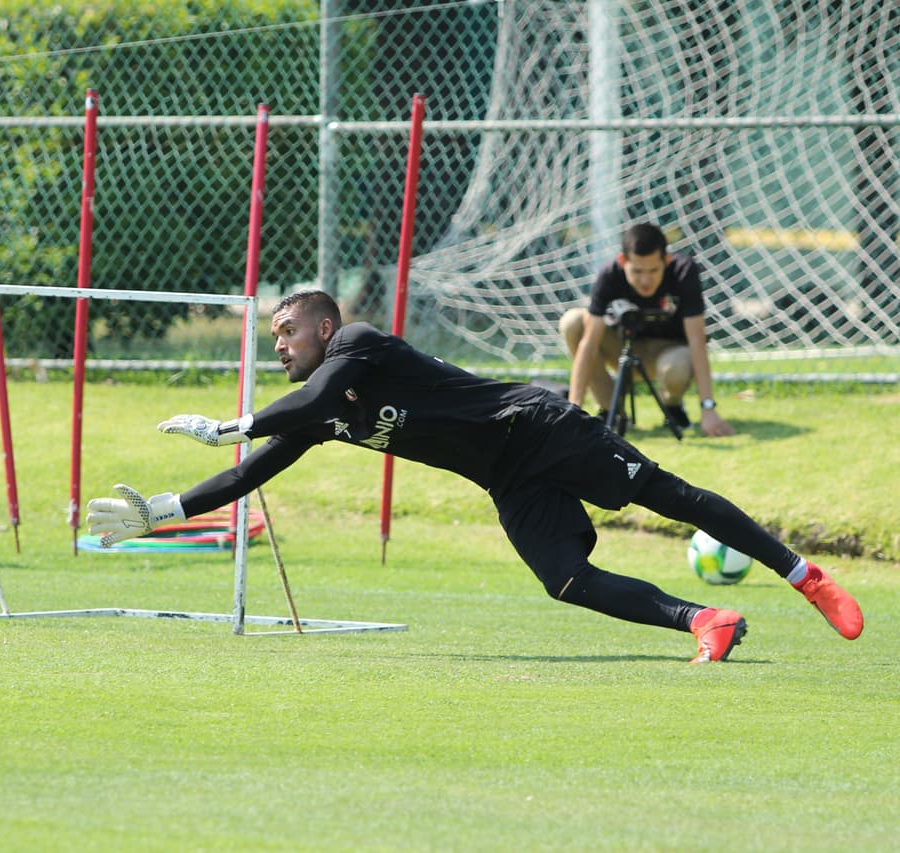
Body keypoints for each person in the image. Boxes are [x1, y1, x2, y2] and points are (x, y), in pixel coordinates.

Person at [87, 290, 863, 663]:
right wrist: (162, 510)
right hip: (508, 479)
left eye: (287, 332)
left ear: (325, 326)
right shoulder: (314, 413)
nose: (280, 345)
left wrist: (232, 420)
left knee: (667, 495)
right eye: (276, 338)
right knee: (563, 579)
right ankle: (704, 620)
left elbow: (313, 396)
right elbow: (254, 471)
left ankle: (806, 575)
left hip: (539, 426)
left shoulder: (357, 344)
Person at [560, 223, 735, 437]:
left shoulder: (684, 271)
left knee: (678, 366)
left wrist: (708, 408)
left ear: (666, 260)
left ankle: (672, 406)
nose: (645, 280)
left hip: (668, 355)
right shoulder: (610, 274)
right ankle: (611, 411)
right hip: (622, 348)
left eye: (653, 270)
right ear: (623, 261)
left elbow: (697, 340)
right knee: (573, 322)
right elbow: (589, 343)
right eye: (637, 271)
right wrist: (573, 409)